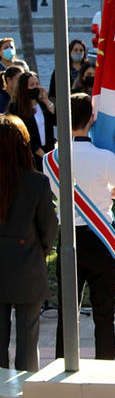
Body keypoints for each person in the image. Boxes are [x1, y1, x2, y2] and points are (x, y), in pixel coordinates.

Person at [48, 93, 115, 360]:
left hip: (69, 238)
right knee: (105, 317)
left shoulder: (50, 161)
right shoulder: (104, 158)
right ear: (92, 118)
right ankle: (106, 370)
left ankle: (61, 367)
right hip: (101, 241)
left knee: (67, 316)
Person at [0, 115, 57, 371]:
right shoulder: (37, 182)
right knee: (28, 338)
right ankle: (25, 397)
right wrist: (41, 248)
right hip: (28, 265)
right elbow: (49, 226)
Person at [6, 71, 55, 171]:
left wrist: (46, 100)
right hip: (29, 155)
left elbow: (56, 119)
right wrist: (41, 153)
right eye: (31, 85)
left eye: (37, 84)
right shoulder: (15, 107)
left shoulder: (42, 104)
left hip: (47, 152)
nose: (35, 87)